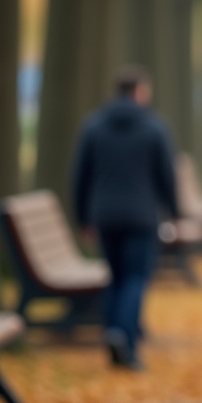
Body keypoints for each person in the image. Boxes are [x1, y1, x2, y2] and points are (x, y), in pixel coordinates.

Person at [73, 65, 178, 370]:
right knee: (135, 277)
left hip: (104, 215)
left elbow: (81, 176)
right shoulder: (154, 127)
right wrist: (173, 212)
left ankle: (113, 334)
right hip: (141, 216)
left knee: (115, 276)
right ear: (140, 92)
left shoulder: (93, 126)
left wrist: (83, 218)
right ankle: (124, 338)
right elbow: (166, 176)